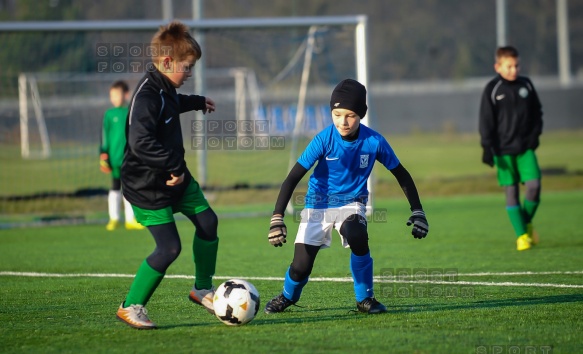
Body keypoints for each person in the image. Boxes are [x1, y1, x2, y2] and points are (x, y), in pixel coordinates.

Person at [264, 79, 429, 315]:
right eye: (337, 113)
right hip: (317, 205)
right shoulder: (323, 139)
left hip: (351, 203)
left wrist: (418, 210)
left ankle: (365, 299)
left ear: (361, 114)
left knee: (357, 234)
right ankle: (287, 296)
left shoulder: (374, 141)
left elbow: (401, 174)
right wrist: (277, 217)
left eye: (350, 115)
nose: (343, 121)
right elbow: (291, 179)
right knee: (300, 267)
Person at [116, 21, 217, 329]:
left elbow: (173, 105)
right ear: (167, 62)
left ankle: (202, 289)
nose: (189, 73)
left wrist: (196, 102)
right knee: (169, 248)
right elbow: (139, 142)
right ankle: (130, 305)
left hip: (176, 177)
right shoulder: (147, 96)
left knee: (208, 222)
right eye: (187, 68)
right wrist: (171, 167)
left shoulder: (167, 88)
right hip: (148, 186)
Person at [479, 46, 543, 251]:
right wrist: (487, 147)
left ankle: (525, 222)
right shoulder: (493, 89)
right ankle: (522, 236)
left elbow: (537, 113)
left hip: (525, 149)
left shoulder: (527, 85)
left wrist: (535, 136)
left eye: (516, 65)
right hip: (502, 151)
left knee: (534, 187)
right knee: (512, 191)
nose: (513, 70)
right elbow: (486, 121)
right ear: (498, 67)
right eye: (509, 66)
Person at [100, 80, 145, 231]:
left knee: (130, 188)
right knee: (115, 186)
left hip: (130, 157)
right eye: (111, 95)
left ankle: (130, 219)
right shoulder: (109, 114)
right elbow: (104, 135)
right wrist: (103, 154)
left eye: (116, 95)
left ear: (126, 95)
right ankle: (114, 218)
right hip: (114, 158)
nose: (114, 98)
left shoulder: (130, 112)